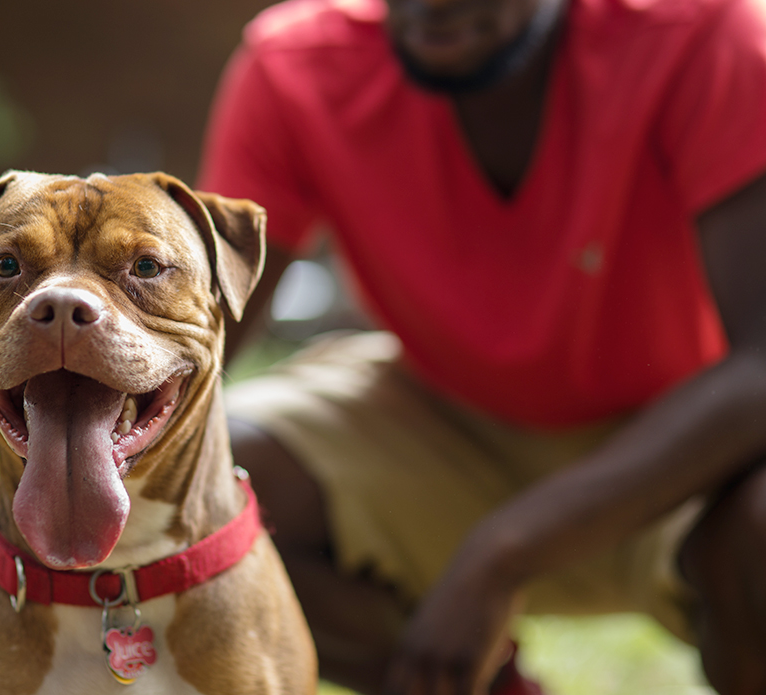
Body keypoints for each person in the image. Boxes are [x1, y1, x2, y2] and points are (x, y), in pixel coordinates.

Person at [196, 0, 766, 692]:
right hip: (447, 415)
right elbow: (195, 351)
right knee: (217, 481)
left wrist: (504, 550)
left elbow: (759, 368)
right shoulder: (294, 66)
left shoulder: (705, 35)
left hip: (687, 447)